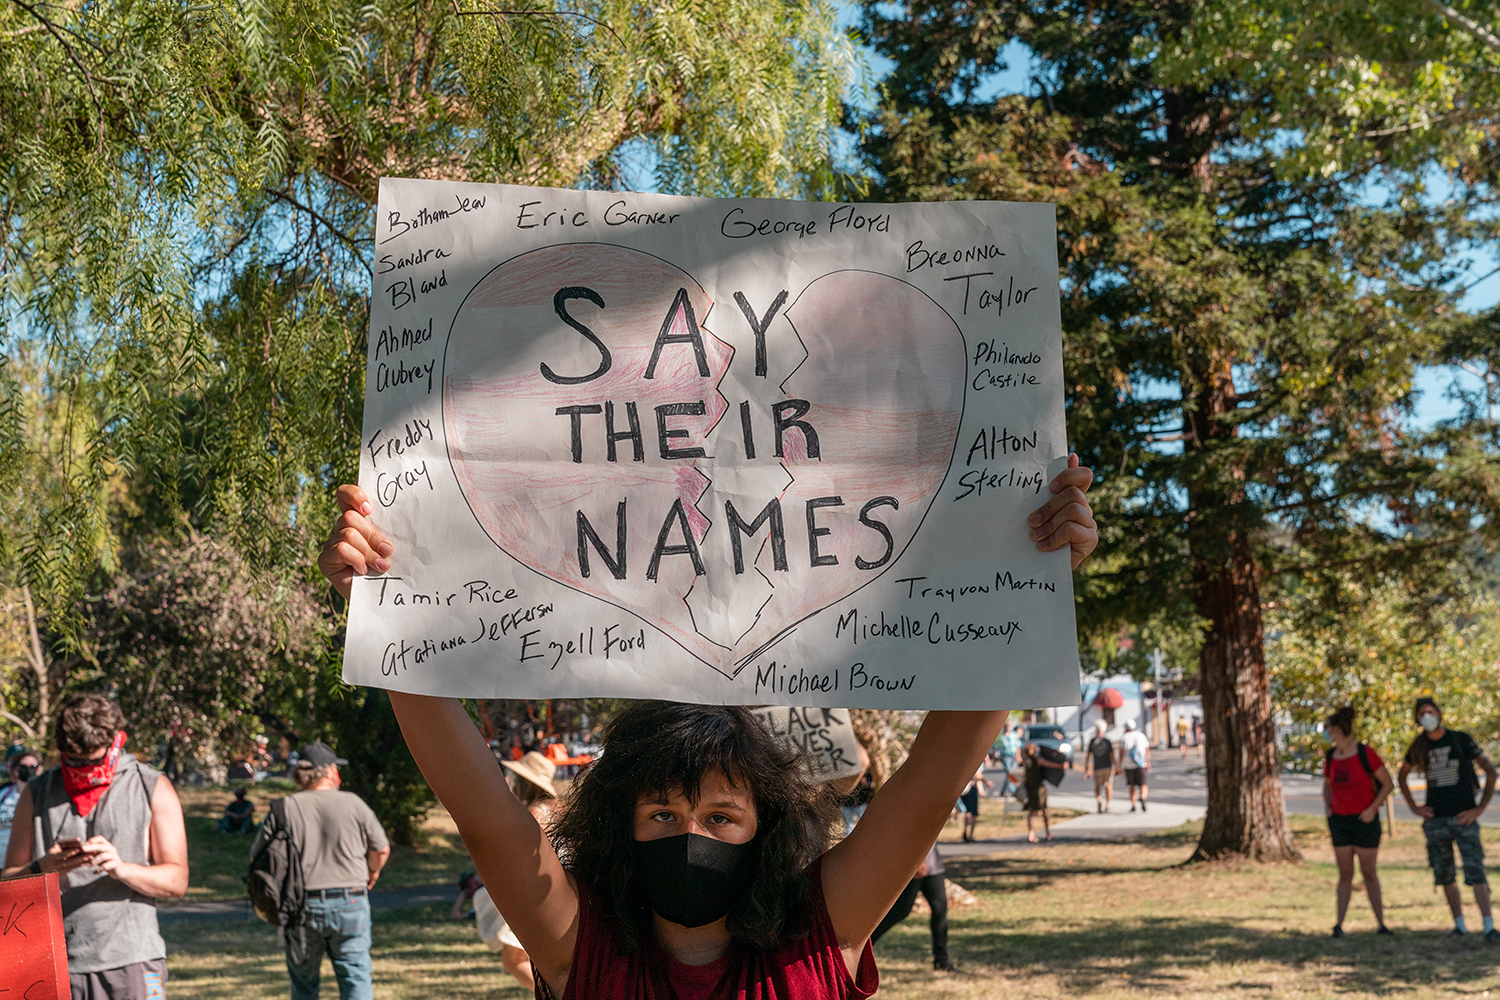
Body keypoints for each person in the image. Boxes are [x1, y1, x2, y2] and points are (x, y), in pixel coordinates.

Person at [316, 456, 1097, 998]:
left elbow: (930, 787)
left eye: (722, 816)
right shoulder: (580, 947)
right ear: (621, 822)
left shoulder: (820, 935)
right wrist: (388, 607)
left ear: (769, 826)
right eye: (664, 813)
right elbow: (487, 819)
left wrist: (1028, 583)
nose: (693, 834)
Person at [2, 693, 189, 999]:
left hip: (132, 959)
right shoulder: (37, 792)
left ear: (115, 741)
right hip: (53, 963)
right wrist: (41, 868)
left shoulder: (151, 785)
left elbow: (177, 881)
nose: (83, 769)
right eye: (73, 760)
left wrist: (122, 868)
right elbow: (7, 883)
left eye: (93, 760)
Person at [253, 741, 391, 1000]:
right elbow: (381, 849)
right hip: (351, 901)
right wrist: (372, 873)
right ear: (328, 771)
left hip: (301, 907)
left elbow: (258, 856)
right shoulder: (354, 803)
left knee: (304, 985)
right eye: (336, 769)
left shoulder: (284, 808)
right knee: (355, 976)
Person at [1396, 697, 1498, 940]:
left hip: (1465, 817)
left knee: (1475, 871)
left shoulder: (1460, 739)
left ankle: (1488, 925)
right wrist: (1415, 808)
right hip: (1436, 820)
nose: (1427, 716)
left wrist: (1479, 808)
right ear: (1417, 719)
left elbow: (1491, 771)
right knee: (1444, 874)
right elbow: (1402, 777)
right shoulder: (1419, 746)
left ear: (1439, 713)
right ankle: (1459, 925)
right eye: (1422, 713)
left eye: (1431, 711)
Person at [473, 750, 562, 991]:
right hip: (554, 896)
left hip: (533, 896)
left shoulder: (534, 814)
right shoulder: (556, 810)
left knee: (514, 961)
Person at [1321, 705, 1394, 937]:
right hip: (1340, 822)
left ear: (1338, 729)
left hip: (1365, 821)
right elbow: (1327, 786)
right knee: (1344, 874)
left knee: (1368, 872)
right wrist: (1329, 808)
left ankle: (1381, 924)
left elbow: (1388, 784)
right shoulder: (1331, 756)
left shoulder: (1365, 753)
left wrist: (1372, 808)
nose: (1326, 733)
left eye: (1328, 728)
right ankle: (1339, 925)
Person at [869, 839, 951, 972]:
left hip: (934, 865)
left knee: (940, 911)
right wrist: (919, 861)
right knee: (901, 911)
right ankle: (864, 945)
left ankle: (942, 961)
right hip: (914, 867)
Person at [1012, 743, 1063, 843]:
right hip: (1039, 789)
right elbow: (1048, 764)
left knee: (1031, 811)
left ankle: (1031, 833)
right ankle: (1047, 832)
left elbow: (1024, 775)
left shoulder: (1026, 761)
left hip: (1030, 788)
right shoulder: (1037, 760)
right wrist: (1060, 765)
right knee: (1044, 810)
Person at [0, 747, 40, 860]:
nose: (28, 770)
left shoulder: (42, 795)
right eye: (23, 767)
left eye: (33, 766)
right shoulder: (3, 793)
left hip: (26, 863)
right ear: (14, 770)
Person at [1117, 720, 1151, 813]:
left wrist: (1119, 765)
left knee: (1131, 785)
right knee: (1143, 784)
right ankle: (1143, 797)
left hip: (1128, 765)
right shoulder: (1141, 736)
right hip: (1141, 764)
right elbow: (1146, 750)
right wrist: (1148, 762)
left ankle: (1133, 805)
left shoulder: (1123, 737)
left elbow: (1121, 753)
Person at [1084, 720, 1115, 814]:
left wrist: (1087, 768)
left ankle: (1099, 800)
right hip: (1107, 766)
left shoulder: (1092, 741)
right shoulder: (1107, 741)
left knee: (1098, 786)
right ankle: (1107, 805)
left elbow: (1088, 756)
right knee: (1108, 785)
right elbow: (1112, 755)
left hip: (1097, 767)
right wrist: (1116, 766)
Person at [958, 766, 991, 842]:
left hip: (964, 790)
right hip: (971, 790)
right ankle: (971, 835)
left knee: (967, 812)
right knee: (973, 814)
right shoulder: (974, 762)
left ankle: (965, 831)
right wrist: (986, 781)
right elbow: (978, 775)